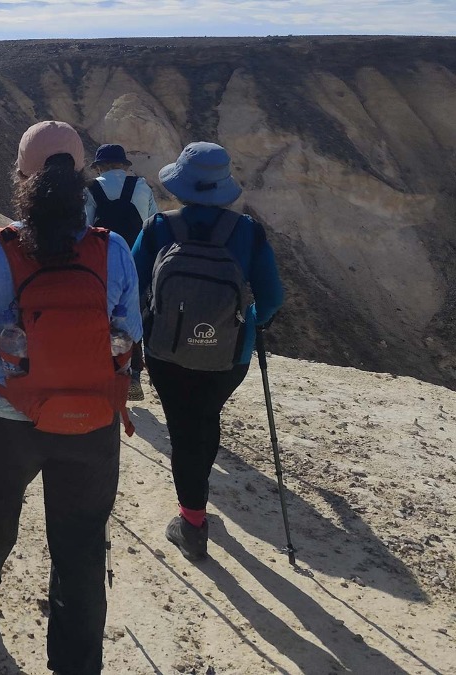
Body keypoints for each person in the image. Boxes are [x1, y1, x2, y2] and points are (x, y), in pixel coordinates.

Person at [0, 121, 141, 675]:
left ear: (21, 177)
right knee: (81, 547)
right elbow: (130, 340)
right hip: (92, 423)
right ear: (82, 176)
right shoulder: (115, 251)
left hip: (12, 419)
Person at [132, 142, 284, 561]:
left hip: (166, 351)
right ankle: (195, 511)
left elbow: (129, 287)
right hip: (228, 353)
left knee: (183, 429)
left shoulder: (158, 228)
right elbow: (271, 296)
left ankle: (192, 523)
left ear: (179, 184)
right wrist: (251, 321)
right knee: (205, 417)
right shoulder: (249, 233)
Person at [85, 143, 158, 402]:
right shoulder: (141, 187)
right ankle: (133, 374)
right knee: (132, 315)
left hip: (101, 263)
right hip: (136, 262)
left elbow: (83, 228)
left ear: (100, 166)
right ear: (124, 165)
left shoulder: (91, 189)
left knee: (100, 316)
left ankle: (101, 370)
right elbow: (153, 223)